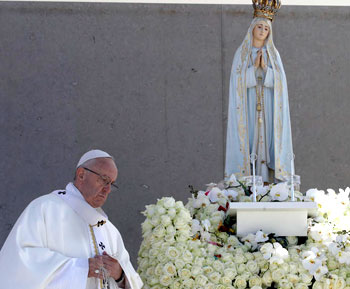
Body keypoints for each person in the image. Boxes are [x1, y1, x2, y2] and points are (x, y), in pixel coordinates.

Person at [0, 149, 143, 289]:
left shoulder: (108, 229)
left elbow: (133, 280)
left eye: (112, 183)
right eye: (104, 180)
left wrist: (120, 274)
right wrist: (81, 268)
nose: (108, 189)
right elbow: (20, 262)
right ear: (81, 174)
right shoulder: (45, 208)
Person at [225, 4, 293, 183]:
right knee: (251, 140)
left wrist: (267, 70)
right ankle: (249, 181)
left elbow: (280, 83)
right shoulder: (242, 54)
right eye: (259, 27)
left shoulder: (273, 54)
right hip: (247, 105)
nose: (263, 31)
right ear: (252, 28)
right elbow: (236, 83)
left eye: (266, 28)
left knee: (267, 139)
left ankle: (267, 180)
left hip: (269, 106)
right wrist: (253, 68)